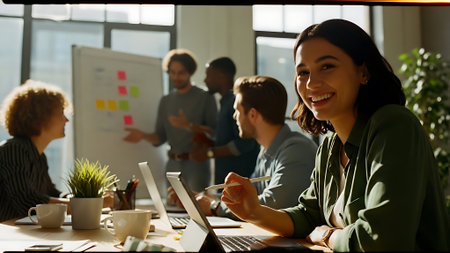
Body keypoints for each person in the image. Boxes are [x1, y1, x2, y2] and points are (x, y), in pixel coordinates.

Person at [220, 19, 450, 251]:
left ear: (364, 71)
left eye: (327, 66)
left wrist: (329, 235)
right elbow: (308, 217)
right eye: (303, 72)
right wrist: (253, 212)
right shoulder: (330, 145)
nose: (311, 83)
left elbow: (381, 239)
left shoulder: (394, 125)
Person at [195, 75, 318, 220]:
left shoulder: (297, 150)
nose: (235, 117)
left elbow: (270, 205)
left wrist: (214, 206)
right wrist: (203, 198)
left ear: (253, 115)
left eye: (237, 111)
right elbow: (248, 195)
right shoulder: (266, 150)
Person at [123, 49, 217, 193]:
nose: (176, 77)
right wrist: (142, 135)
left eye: (181, 72)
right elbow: (159, 138)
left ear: (190, 73)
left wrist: (188, 126)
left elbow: (214, 133)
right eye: (172, 72)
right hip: (172, 165)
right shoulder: (166, 101)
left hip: (197, 165)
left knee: (198, 207)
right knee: (172, 208)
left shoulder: (205, 97)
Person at [0, 80, 71, 222]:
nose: (66, 120)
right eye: (61, 113)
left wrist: (90, 199)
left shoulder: (38, 156)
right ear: (41, 117)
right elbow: (28, 201)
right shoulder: (14, 150)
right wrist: (81, 207)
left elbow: (52, 193)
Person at [188, 57, 260, 184]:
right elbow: (229, 139)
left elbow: (244, 144)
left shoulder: (235, 103)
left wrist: (209, 153)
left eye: (208, 75)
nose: (205, 80)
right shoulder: (226, 102)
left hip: (238, 181)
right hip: (228, 181)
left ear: (220, 76)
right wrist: (208, 141)